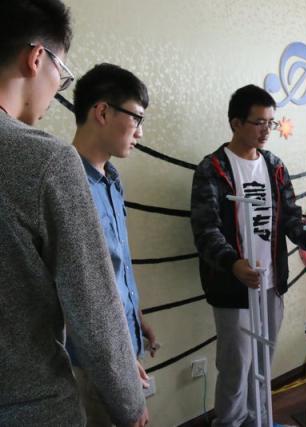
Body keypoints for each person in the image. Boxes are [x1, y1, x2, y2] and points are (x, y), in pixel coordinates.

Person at [0, 1, 148, 426]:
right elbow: (93, 312)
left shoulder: (111, 181)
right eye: (61, 73)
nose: (56, 89)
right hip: (35, 405)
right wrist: (131, 404)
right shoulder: (48, 162)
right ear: (36, 58)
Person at [190, 84, 306, 426]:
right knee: (236, 364)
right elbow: (205, 230)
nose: (267, 130)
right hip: (232, 285)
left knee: (263, 360)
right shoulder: (213, 168)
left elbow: (290, 217)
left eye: (271, 122)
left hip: (271, 282)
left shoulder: (274, 166)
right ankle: (229, 422)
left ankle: (257, 420)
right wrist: (233, 264)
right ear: (236, 123)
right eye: (259, 122)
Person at [68, 63, 157, 426]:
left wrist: (136, 318)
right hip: (96, 361)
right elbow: (78, 294)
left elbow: (113, 267)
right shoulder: (67, 185)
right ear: (102, 112)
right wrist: (117, 362)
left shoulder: (111, 179)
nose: (140, 132)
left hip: (122, 346)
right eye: (136, 118)